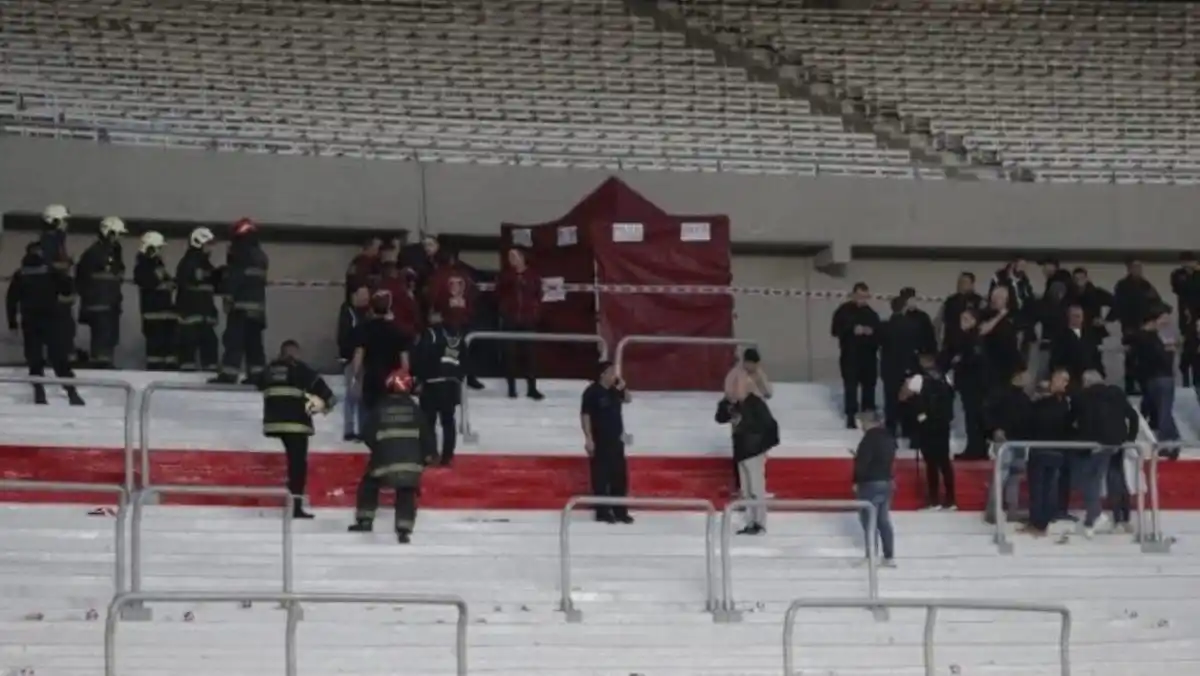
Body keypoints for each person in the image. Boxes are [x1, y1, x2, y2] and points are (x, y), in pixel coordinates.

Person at [348, 368, 438, 543]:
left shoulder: (380, 408)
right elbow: (427, 435)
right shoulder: (416, 410)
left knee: (369, 484)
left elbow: (367, 434)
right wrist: (429, 455)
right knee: (406, 491)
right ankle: (403, 530)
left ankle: (365, 520)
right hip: (411, 464)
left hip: (383, 462)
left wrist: (380, 448)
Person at [257, 340, 335, 519]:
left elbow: (258, 382)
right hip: (296, 425)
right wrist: (327, 406)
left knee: (294, 463)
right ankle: (296, 506)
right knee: (298, 466)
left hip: (273, 423)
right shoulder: (301, 369)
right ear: (294, 353)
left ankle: (293, 502)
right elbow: (325, 392)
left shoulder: (269, 369)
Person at [6, 240, 85, 406]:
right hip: (51, 320)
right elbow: (68, 288)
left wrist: (12, 323)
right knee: (59, 359)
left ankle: (39, 394)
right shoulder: (51, 271)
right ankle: (72, 393)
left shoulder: (20, 274)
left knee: (35, 360)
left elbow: (11, 300)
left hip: (30, 322)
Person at [1073, 370, 1139, 537]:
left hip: (1097, 443)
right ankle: (1122, 518)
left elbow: (1083, 421)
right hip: (1117, 442)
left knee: (1091, 478)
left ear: (1086, 382)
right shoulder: (1116, 392)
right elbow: (1133, 416)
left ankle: (1095, 515)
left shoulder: (1084, 396)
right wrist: (1129, 438)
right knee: (1117, 478)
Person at [213, 218, 269, 384]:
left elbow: (234, 278)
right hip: (258, 311)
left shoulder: (239, 252)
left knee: (234, 341)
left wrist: (227, 295)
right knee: (254, 345)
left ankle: (229, 375)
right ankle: (257, 376)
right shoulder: (261, 256)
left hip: (240, 308)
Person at [901, 352, 956, 511]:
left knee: (931, 462)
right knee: (945, 462)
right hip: (944, 424)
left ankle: (934, 500)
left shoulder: (918, 379)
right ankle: (951, 499)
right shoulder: (946, 378)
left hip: (927, 424)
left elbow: (903, 397)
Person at [580, 361, 632, 524]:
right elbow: (585, 415)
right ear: (602, 374)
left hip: (617, 440)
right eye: (610, 372)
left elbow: (628, 399)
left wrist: (622, 387)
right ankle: (602, 511)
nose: (614, 375)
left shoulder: (614, 391)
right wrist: (588, 438)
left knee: (619, 477)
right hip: (600, 440)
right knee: (601, 477)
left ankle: (620, 510)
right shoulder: (592, 392)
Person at [1023, 368, 1073, 536]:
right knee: (1048, 487)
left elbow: (1031, 421)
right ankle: (1043, 521)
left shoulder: (1044, 403)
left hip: (1042, 449)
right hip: (1057, 449)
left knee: (1040, 488)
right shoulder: (1065, 403)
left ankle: (1038, 523)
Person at [427, 248, 485, 391]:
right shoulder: (465, 275)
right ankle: (470, 377)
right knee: (466, 349)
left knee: (450, 353)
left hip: (446, 320)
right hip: (465, 318)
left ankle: (452, 380)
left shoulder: (436, 277)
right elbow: (475, 292)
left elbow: (431, 297)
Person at [412, 310, 464, 466]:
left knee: (428, 422)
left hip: (432, 383)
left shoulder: (428, 334)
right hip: (451, 384)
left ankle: (430, 454)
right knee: (448, 421)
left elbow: (421, 357)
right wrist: (458, 377)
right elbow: (464, 358)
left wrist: (418, 379)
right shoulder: (456, 334)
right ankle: (447, 456)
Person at [983, 363, 1033, 524]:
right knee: (1001, 477)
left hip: (1019, 442)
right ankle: (992, 512)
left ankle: (1012, 511)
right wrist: (995, 429)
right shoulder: (1000, 394)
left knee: (1014, 478)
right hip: (1005, 443)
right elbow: (987, 413)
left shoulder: (1025, 398)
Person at [74, 216, 127, 368]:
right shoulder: (94, 253)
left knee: (109, 338)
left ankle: (105, 364)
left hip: (110, 304)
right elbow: (82, 278)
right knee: (102, 339)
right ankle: (101, 367)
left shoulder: (113, 252)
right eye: (117, 234)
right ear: (109, 233)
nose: (119, 238)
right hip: (99, 305)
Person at [351, 289, 411, 421]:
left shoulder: (364, 329)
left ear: (372, 308)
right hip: (392, 380)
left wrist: (356, 377)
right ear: (389, 308)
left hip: (371, 377)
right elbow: (405, 363)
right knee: (390, 413)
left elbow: (358, 355)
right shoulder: (398, 331)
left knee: (370, 414)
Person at [496, 248, 545, 400]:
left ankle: (532, 388)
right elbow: (497, 294)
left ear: (523, 258)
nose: (512, 259)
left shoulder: (533, 275)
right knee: (510, 354)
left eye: (515, 256)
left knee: (529, 354)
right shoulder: (505, 275)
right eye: (509, 256)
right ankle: (511, 388)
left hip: (527, 319)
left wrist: (534, 312)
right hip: (510, 319)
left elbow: (538, 294)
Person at [830, 282, 881, 428]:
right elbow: (835, 330)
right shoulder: (843, 311)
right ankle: (850, 416)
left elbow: (879, 334)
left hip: (868, 356)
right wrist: (851, 329)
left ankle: (868, 415)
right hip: (850, 355)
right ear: (853, 295)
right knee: (850, 386)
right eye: (859, 296)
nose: (862, 300)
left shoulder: (871, 314)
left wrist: (871, 332)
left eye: (865, 297)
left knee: (869, 386)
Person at [1130, 305, 1180, 453]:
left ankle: (1171, 441)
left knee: (1160, 411)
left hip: (1150, 379)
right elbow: (1159, 359)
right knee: (1164, 411)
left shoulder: (1140, 337)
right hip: (1161, 377)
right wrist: (1169, 353)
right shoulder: (1151, 338)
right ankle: (1169, 443)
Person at [730, 387, 779, 535]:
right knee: (747, 490)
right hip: (741, 453)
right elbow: (720, 417)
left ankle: (760, 523)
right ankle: (751, 522)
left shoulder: (756, 403)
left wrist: (762, 447)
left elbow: (771, 425)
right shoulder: (735, 405)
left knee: (756, 489)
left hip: (754, 453)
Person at [851, 411, 896, 566]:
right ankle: (889, 556)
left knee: (868, 520)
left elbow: (863, 463)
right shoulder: (889, 437)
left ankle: (871, 555)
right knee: (883, 520)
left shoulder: (868, 439)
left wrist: (856, 480)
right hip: (886, 481)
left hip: (870, 482)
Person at [1110, 258, 1161, 395]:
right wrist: (1110, 318)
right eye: (1134, 267)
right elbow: (1117, 304)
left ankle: (1144, 385)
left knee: (1145, 357)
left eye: (1139, 267)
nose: (1137, 270)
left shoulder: (1146, 285)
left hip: (1145, 327)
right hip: (1129, 327)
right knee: (1130, 357)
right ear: (1129, 269)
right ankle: (1130, 386)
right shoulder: (1122, 285)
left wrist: (1154, 320)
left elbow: (1156, 302)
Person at [942, 308, 988, 460]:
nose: (963, 322)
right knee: (971, 416)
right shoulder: (963, 337)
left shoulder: (975, 338)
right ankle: (975, 447)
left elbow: (972, 358)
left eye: (967, 319)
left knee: (973, 416)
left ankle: (976, 449)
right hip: (967, 382)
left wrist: (959, 360)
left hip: (974, 383)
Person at [175, 227, 221, 372]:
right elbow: (189, 283)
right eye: (208, 244)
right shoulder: (188, 264)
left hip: (205, 318)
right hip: (190, 318)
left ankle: (210, 374)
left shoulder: (206, 265)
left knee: (210, 349)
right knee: (188, 352)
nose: (210, 248)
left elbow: (213, 287)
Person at [133, 231, 178, 370]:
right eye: (158, 248)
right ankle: (156, 369)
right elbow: (149, 283)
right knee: (155, 346)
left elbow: (168, 281)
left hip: (165, 313)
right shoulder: (142, 266)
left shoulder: (158, 265)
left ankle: (169, 368)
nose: (160, 252)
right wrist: (165, 285)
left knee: (169, 346)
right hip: (153, 314)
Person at [880, 295, 921, 442]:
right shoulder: (912, 325)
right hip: (907, 367)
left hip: (889, 368)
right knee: (907, 400)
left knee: (890, 400)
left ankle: (890, 429)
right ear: (904, 307)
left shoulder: (884, 326)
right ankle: (907, 429)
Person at [337, 284, 370, 441]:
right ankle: (349, 429)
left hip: (365, 360)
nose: (366, 298)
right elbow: (344, 337)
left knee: (363, 396)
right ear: (353, 295)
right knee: (352, 394)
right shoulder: (348, 313)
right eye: (363, 294)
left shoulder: (367, 313)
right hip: (352, 359)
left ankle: (363, 428)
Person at [988, 256, 1036, 357]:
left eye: (1024, 267)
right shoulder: (1000, 278)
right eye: (1021, 266)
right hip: (1006, 318)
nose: (1022, 269)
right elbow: (995, 299)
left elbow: (1029, 300)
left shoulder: (1024, 281)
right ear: (1014, 264)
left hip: (1023, 320)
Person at [374, 244, 422, 344]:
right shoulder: (401, 288)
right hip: (402, 335)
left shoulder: (380, 286)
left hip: (384, 335)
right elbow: (414, 313)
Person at [979, 286, 1021, 394]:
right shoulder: (984, 315)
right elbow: (982, 330)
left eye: (999, 297)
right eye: (993, 297)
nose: (994, 300)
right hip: (988, 363)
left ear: (1006, 301)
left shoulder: (1011, 318)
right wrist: (999, 316)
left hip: (1006, 365)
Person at [1049, 303, 1105, 384]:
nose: (1076, 319)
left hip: (1090, 376)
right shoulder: (1061, 336)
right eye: (1074, 316)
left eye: (1078, 316)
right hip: (1072, 377)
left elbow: (1095, 356)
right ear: (1068, 317)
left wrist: (1100, 372)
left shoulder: (1089, 336)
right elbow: (1056, 360)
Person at [1171, 253, 1200, 387]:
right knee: (1187, 348)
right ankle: (1185, 380)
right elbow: (1179, 289)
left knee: (1196, 353)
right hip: (1186, 316)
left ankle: (1196, 380)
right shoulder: (1178, 274)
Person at [937, 272, 984, 351]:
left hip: (972, 344)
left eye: (965, 282)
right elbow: (943, 322)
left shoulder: (979, 301)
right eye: (959, 282)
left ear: (972, 284)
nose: (961, 285)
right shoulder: (950, 301)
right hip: (952, 343)